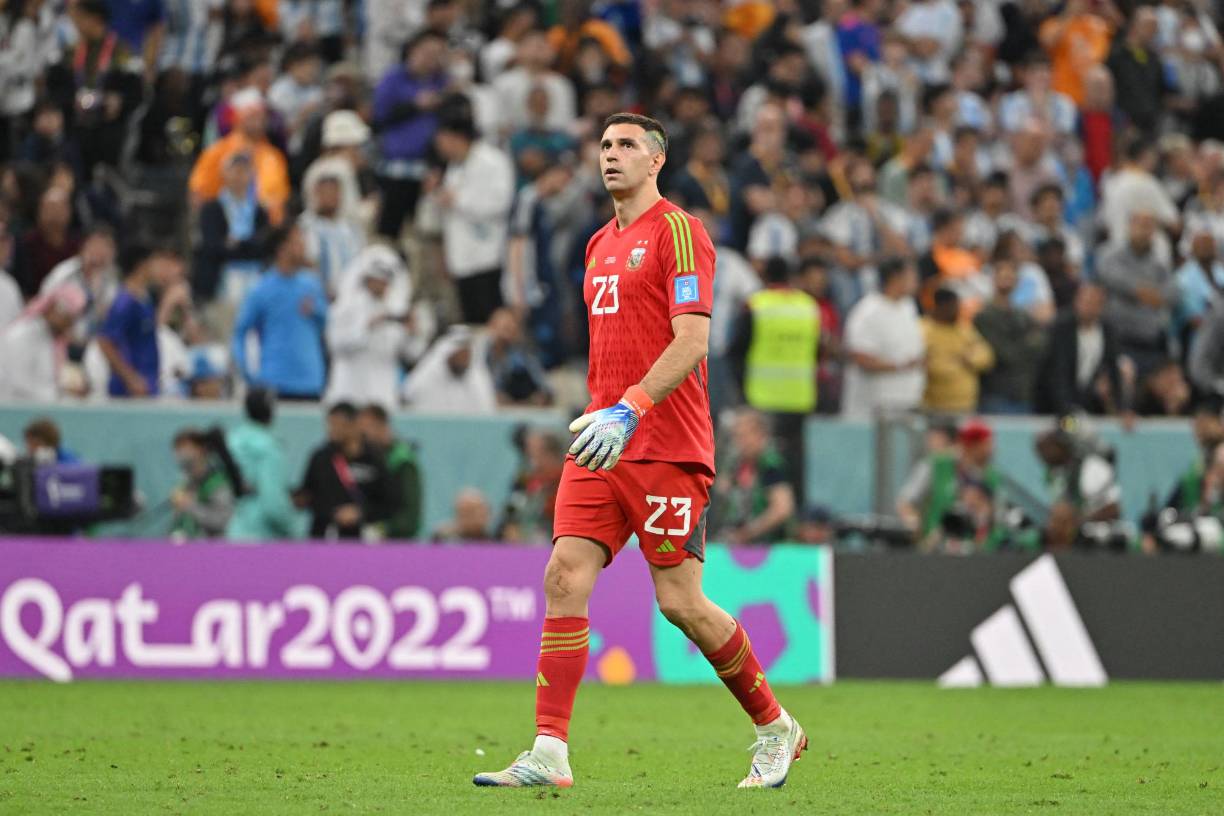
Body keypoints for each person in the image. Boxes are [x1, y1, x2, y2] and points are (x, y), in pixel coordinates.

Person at [475, 113, 805, 792]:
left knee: (680, 602)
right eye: (604, 145)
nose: (611, 156)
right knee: (564, 575)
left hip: (665, 444)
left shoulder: (681, 232)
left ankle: (775, 727)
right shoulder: (598, 243)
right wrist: (609, 412)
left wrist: (632, 408)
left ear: (657, 160)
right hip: (602, 441)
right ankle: (549, 750)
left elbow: (691, 341)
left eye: (626, 145)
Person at [433, 112, 515, 325]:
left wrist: (457, 200)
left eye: (441, 138)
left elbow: (501, 203)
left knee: (493, 323)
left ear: (456, 137)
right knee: (472, 325)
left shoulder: (492, 161)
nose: (438, 145)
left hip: (488, 258)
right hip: (462, 260)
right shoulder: (455, 166)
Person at [232, 222, 328, 400]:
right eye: (298, 242)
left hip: (311, 383)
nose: (303, 247)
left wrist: (315, 311)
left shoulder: (312, 285)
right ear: (282, 248)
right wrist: (248, 374)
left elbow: (325, 324)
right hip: (275, 382)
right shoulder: (261, 289)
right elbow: (240, 332)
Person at [188, 88, 291, 225]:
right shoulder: (218, 151)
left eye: (261, 115)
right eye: (251, 115)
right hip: (224, 227)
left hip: (267, 230)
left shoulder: (273, 155)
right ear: (238, 117)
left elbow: (281, 198)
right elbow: (198, 193)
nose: (258, 120)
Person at [324, 250, 410, 411]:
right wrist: (367, 328)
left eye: (387, 281)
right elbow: (335, 345)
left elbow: (407, 353)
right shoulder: (345, 308)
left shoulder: (394, 311)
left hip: (383, 395)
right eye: (379, 280)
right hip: (349, 391)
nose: (383, 285)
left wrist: (411, 333)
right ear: (367, 279)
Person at [840, 257, 926, 417]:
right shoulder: (868, 311)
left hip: (907, 402)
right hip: (874, 406)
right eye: (911, 276)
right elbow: (860, 357)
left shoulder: (908, 306)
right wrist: (900, 366)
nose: (916, 281)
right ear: (896, 277)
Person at [296, 402, 393, 540]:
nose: (332, 430)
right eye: (330, 424)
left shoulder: (374, 459)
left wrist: (360, 513)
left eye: (338, 425)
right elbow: (309, 494)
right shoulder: (321, 458)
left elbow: (388, 502)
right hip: (324, 535)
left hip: (362, 538)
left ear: (354, 425)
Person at [896, 419, 1001, 547]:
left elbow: (996, 519)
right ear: (971, 445)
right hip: (936, 548)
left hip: (977, 551)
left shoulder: (991, 476)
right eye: (986, 445)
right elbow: (905, 502)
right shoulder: (936, 465)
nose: (991, 451)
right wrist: (914, 523)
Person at [1036, 282, 1130, 417]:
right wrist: (1065, 409)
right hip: (1052, 405)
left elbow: (1113, 370)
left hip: (1085, 403)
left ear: (1101, 306)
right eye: (1083, 301)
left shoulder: (1107, 331)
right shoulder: (1061, 327)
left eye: (1092, 302)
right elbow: (1058, 371)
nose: (1086, 306)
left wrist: (1123, 408)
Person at [193, 151, 272, 306]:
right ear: (225, 174)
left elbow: (264, 245)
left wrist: (238, 243)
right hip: (223, 279)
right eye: (235, 170)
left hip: (254, 276)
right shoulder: (212, 208)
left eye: (244, 171)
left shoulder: (259, 211)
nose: (239, 176)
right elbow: (213, 245)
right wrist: (247, 245)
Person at [712, 409, 797, 545]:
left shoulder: (770, 465)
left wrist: (748, 533)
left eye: (743, 436)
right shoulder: (736, 465)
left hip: (769, 547)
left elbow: (782, 509)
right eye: (736, 437)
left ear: (761, 435)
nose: (739, 443)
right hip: (736, 542)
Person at [974, 256, 1046, 414]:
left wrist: (1027, 345)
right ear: (993, 279)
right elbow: (1005, 354)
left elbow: (1041, 346)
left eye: (1010, 276)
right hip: (996, 393)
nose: (1006, 280)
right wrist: (1028, 344)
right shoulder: (985, 316)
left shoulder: (1023, 315)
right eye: (1002, 275)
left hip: (1023, 393)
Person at [225, 388, 298, 541]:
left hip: (233, 531)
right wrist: (293, 529)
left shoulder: (231, 441)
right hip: (262, 537)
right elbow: (272, 502)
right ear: (272, 412)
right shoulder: (268, 448)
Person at [1034, 424, 1122, 550]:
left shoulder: (1092, 468)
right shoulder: (1055, 475)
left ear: (1061, 445)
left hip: (1096, 533)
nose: (1042, 457)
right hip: (1069, 534)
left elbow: (1113, 510)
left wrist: (1078, 520)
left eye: (1046, 449)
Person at [97, 246, 164, 398]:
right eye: (155, 262)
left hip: (149, 383)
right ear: (143, 265)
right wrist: (130, 378)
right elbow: (105, 341)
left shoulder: (145, 297)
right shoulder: (125, 302)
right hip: (129, 391)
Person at [0, 283, 86, 401]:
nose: (70, 326)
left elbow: (48, 382)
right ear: (53, 310)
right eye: (69, 319)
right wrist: (57, 396)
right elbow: (19, 385)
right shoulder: (20, 336)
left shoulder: (48, 339)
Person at [920, 288, 994, 413]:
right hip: (934, 406)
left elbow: (986, 356)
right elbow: (931, 365)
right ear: (941, 306)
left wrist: (967, 359)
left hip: (966, 405)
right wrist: (954, 362)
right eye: (953, 307)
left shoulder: (963, 328)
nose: (957, 311)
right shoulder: (923, 330)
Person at [358, 404, 422, 540]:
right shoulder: (368, 459)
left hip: (396, 545)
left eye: (366, 429)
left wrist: (381, 530)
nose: (361, 435)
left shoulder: (402, 462)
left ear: (382, 426)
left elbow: (410, 517)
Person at [500, 429, 566, 544]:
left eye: (533, 452)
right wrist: (511, 526)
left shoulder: (564, 480)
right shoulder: (525, 479)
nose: (529, 457)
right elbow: (512, 509)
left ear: (549, 454)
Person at [169, 429, 236, 541]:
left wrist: (189, 506)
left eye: (186, 448)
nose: (182, 454)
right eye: (178, 449)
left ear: (200, 449)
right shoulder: (185, 483)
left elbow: (223, 521)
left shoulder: (218, 482)